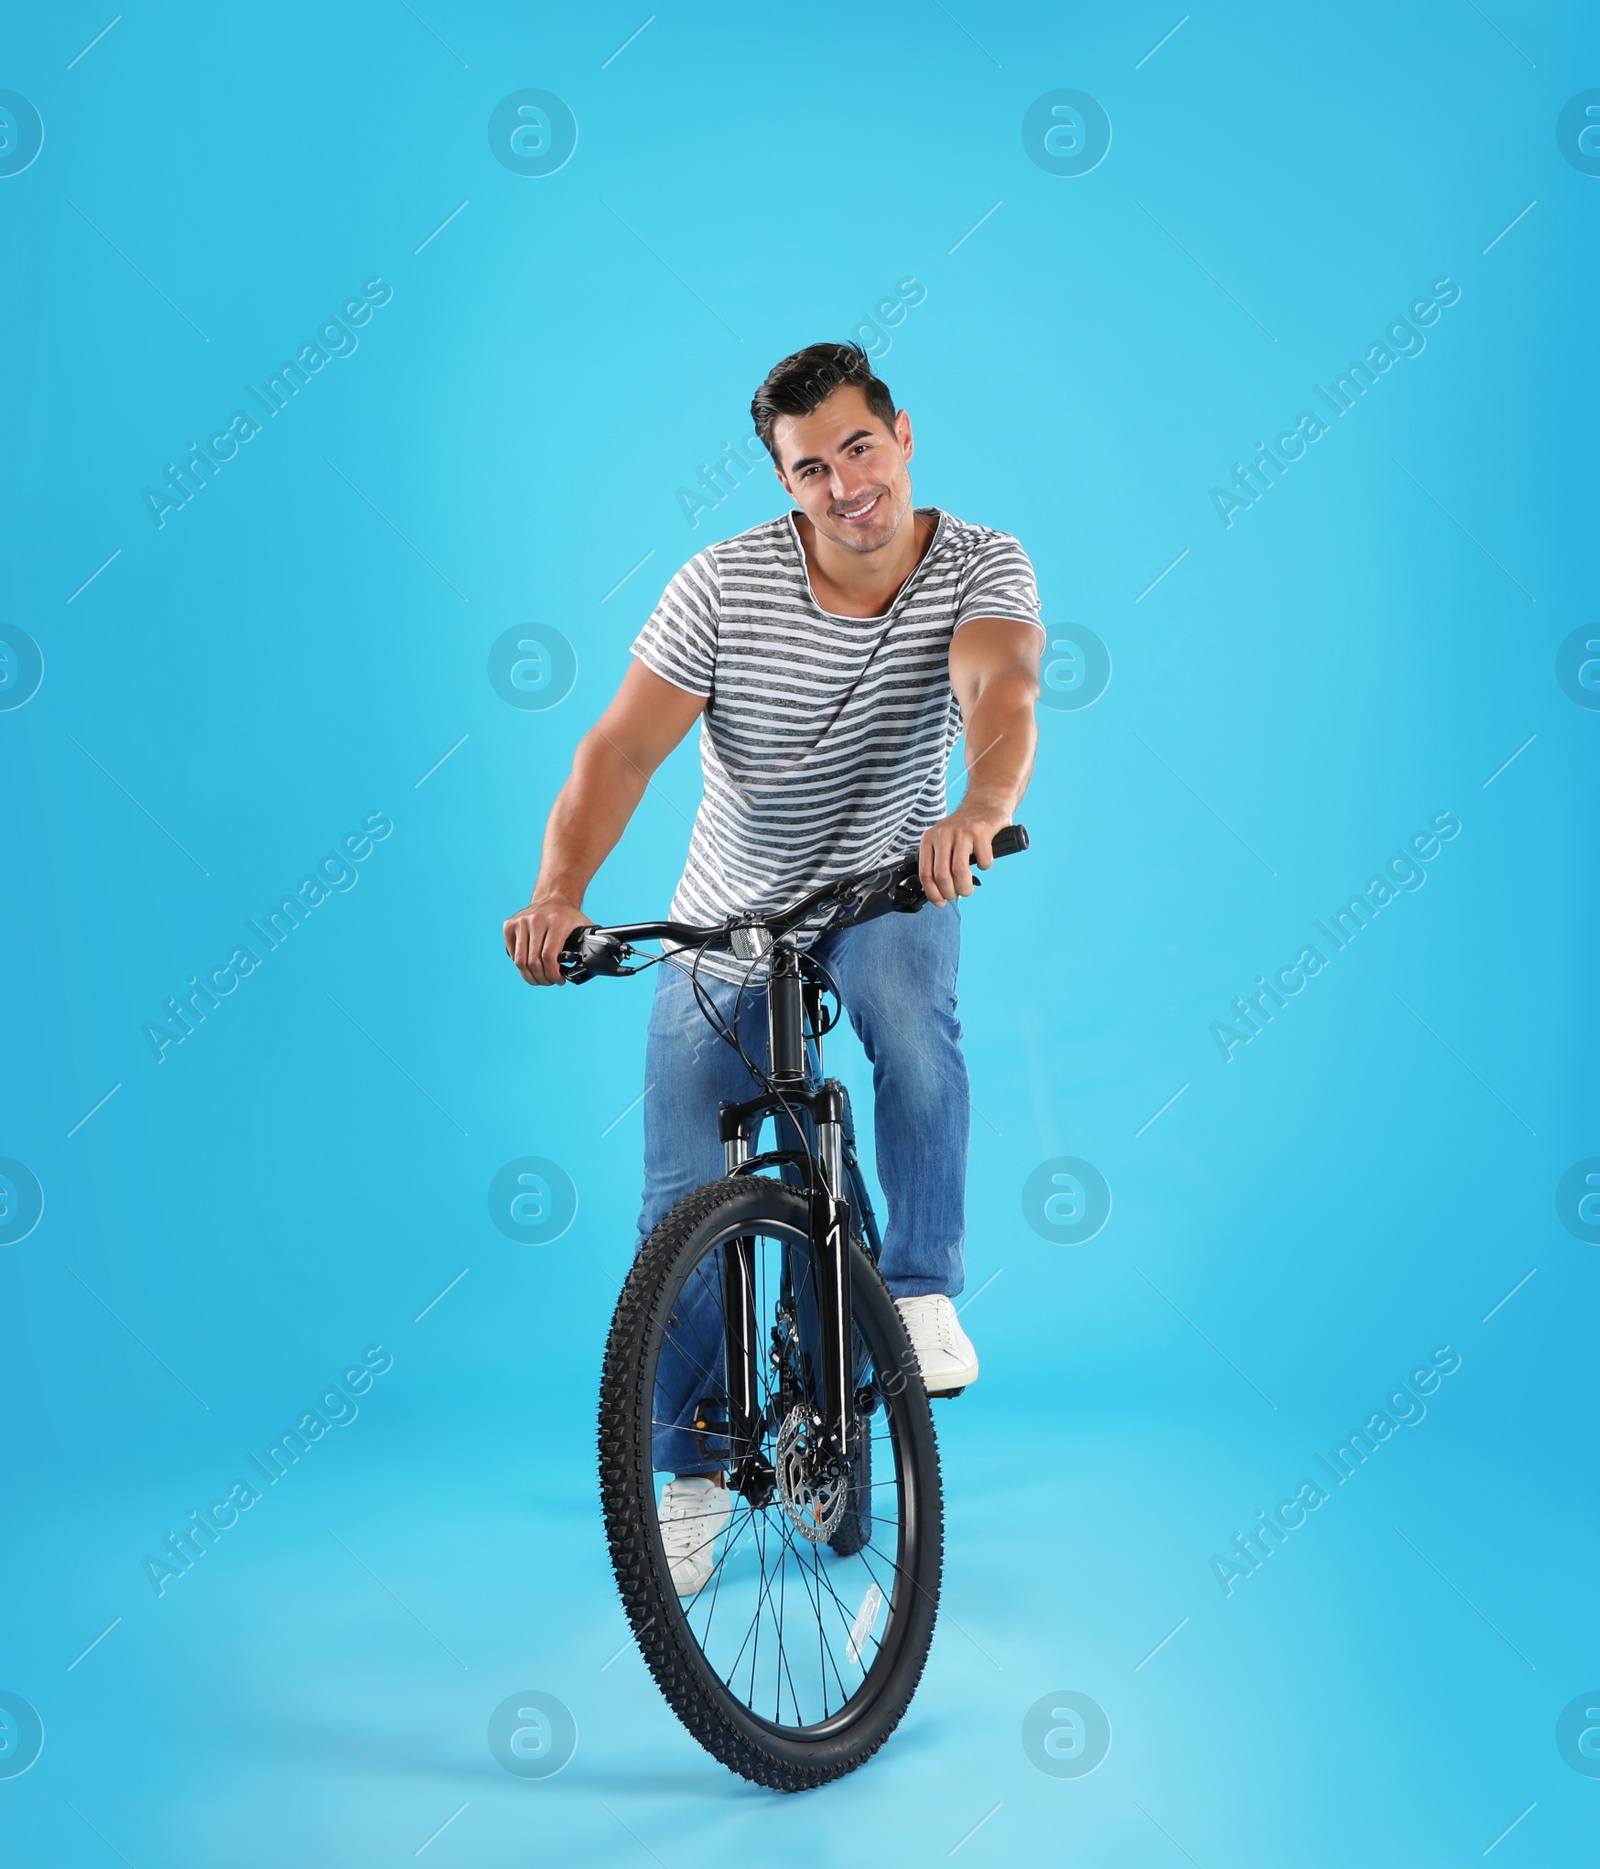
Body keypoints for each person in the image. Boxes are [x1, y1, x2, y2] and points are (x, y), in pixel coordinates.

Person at [504, 342, 1042, 1590]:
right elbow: (618, 755)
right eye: (813, 468)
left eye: (860, 447)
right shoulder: (722, 586)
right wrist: (557, 895)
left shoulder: (978, 562)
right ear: (784, 481)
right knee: (681, 1190)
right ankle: (691, 1467)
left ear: (902, 435)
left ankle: (912, 1292)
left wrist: (978, 804)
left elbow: (1001, 691)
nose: (846, 484)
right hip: (731, 909)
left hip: (888, 880)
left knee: (908, 1017)